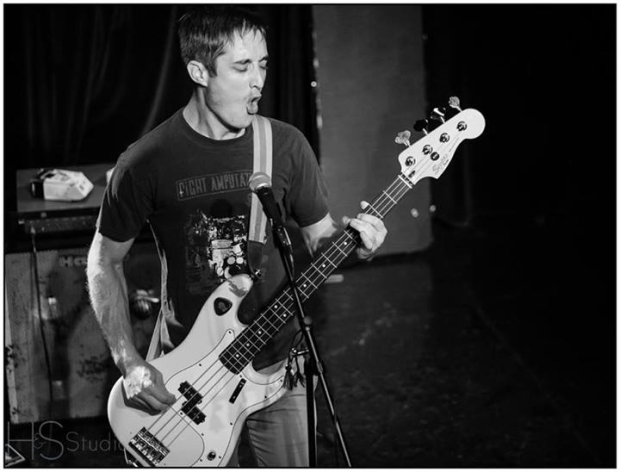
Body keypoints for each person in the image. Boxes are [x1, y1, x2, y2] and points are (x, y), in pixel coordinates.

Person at [87, 5, 387, 467]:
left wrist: (357, 245)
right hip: (184, 376)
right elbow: (103, 260)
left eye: (262, 64)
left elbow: (321, 239)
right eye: (242, 67)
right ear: (199, 72)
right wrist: (129, 361)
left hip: (277, 368)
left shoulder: (285, 146)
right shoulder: (146, 161)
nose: (258, 81)